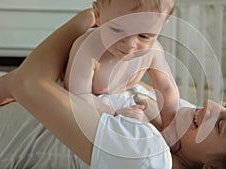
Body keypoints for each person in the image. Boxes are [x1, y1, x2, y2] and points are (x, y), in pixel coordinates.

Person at [0, 8, 226, 169]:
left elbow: (26, 83)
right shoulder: (178, 132)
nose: (211, 104)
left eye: (220, 123)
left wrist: (88, 19)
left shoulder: (148, 158)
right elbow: (127, 87)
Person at [63, 0, 179, 129]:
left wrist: (170, 126)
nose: (130, 45)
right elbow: (77, 95)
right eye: (117, 30)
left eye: (144, 36)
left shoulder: (153, 51)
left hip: (128, 97)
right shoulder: (88, 49)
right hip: (92, 105)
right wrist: (113, 113)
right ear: (98, 14)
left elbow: (166, 88)